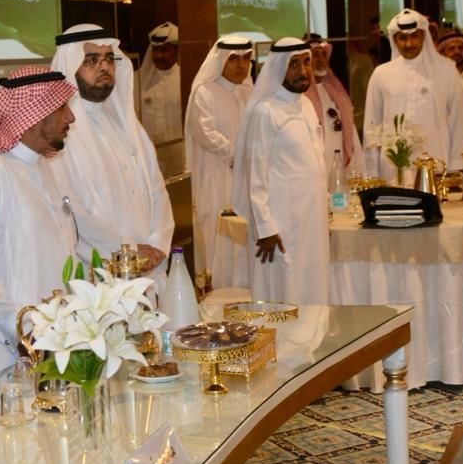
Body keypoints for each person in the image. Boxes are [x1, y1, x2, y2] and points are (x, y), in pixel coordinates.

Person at [0, 67, 78, 379]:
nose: (70, 117)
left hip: (51, 342)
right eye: (61, 108)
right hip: (7, 350)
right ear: (36, 114)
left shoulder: (41, 167)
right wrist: (21, 326)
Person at [47, 24, 174, 284]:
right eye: (90, 60)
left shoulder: (128, 125)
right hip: (98, 272)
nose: (103, 67)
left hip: (148, 265)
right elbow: (72, 212)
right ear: (70, 67)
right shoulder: (60, 134)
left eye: (108, 58)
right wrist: (128, 250)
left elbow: (157, 190)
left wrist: (158, 243)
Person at [232, 38, 329, 304]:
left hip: (312, 220)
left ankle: (313, 331)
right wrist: (265, 228)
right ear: (278, 68)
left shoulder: (306, 105)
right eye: (294, 65)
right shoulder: (266, 112)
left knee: (312, 287)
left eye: (306, 62)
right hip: (281, 226)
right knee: (285, 291)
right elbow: (256, 176)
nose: (303, 71)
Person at [363, 8, 463, 178]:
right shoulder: (381, 74)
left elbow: (458, 121)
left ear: (423, 36)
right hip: (392, 167)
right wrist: (371, 171)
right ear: (394, 39)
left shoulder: (446, 70)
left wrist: (457, 166)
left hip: (436, 162)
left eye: (414, 36)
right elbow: (372, 125)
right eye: (402, 38)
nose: (409, 44)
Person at [184, 36, 254, 287]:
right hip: (215, 174)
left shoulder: (249, 91)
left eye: (246, 58)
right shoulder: (204, 92)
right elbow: (205, 133)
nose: (241, 65)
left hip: (247, 176)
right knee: (215, 227)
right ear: (221, 60)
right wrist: (237, 155)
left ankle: (244, 285)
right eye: (234, 59)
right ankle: (216, 288)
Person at [305, 35, 363, 166]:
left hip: (337, 156)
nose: (320, 60)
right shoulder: (303, 97)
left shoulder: (335, 90)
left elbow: (348, 125)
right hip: (315, 159)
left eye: (323, 55)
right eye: (315, 55)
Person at [134, 22, 183, 147]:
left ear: (177, 51)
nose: (159, 55)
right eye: (155, 50)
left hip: (179, 149)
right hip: (148, 150)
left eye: (165, 50)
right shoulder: (138, 80)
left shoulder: (185, 79)